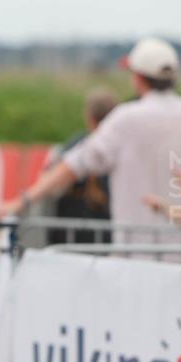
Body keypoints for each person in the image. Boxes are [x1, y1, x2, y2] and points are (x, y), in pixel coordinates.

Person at [0, 37, 181, 242]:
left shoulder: (125, 119)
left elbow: (74, 164)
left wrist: (22, 202)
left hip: (135, 252)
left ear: (138, 77)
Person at [44, 88, 118, 245]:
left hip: (68, 238)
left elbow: (50, 182)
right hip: (108, 239)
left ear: (89, 117)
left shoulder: (75, 145)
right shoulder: (122, 148)